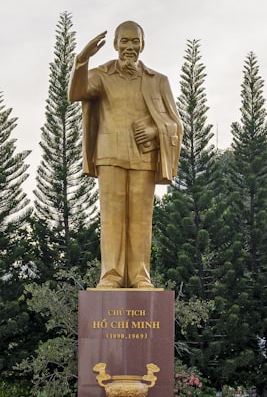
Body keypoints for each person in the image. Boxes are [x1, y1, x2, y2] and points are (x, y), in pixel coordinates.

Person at [69, 20, 182, 289]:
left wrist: (156, 131)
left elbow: (175, 122)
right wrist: (81, 60)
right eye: (124, 41)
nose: (129, 46)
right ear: (115, 44)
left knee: (141, 220)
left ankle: (141, 276)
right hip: (109, 155)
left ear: (143, 44)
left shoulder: (158, 81)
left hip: (143, 156)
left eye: (135, 41)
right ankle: (111, 275)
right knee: (112, 218)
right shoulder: (101, 75)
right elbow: (76, 93)